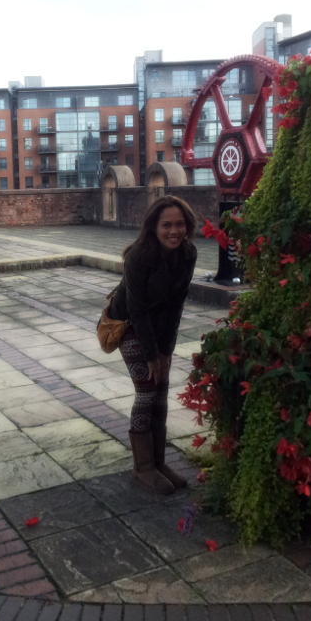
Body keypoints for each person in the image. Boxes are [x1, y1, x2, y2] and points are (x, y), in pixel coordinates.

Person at [109, 195, 197, 494]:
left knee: (161, 393)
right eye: (166, 225)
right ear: (154, 227)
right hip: (129, 324)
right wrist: (151, 356)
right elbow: (137, 310)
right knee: (147, 391)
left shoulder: (188, 253)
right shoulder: (139, 256)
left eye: (180, 224)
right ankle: (143, 468)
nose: (174, 231)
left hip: (159, 327)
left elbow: (176, 306)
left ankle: (158, 462)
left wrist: (166, 352)